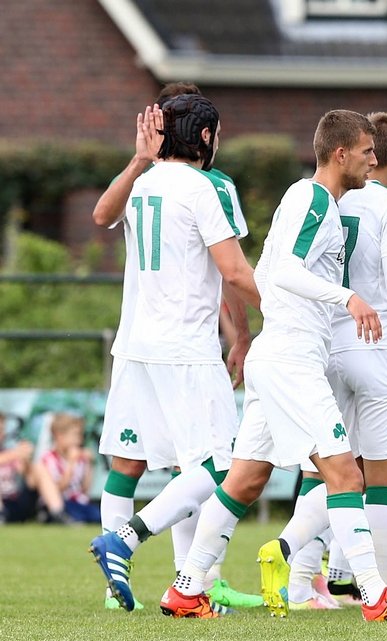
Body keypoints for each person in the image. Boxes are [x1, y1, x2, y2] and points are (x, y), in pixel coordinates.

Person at [159, 109, 387, 621]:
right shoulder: (314, 198)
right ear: (340, 154)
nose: (372, 160)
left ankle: (185, 588)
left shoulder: (312, 199)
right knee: (345, 475)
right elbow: (285, 270)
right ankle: (375, 595)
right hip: (292, 358)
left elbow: (269, 270)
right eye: (366, 152)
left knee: (245, 481)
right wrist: (346, 297)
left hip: (279, 353)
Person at [87, 93, 261, 613]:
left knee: (180, 466)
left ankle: (188, 591)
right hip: (185, 347)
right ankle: (126, 539)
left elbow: (102, 214)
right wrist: (293, 306)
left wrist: (141, 159)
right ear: (205, 136)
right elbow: (234, 271)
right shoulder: (201, 187)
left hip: (137, 346)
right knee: (218, 467)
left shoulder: (144, 183)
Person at [263, 111, 387, 612]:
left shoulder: (331, 197)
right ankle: (382, 590)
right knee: (385, 476)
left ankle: (302, 584)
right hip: (377, 343)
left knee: (328, 470)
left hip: (328, 345)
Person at [35, 413, 101, 524]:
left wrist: (89, 464)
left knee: (97, 515)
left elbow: (85, 488)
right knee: (73, 513)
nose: (79, 440)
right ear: (59, 436)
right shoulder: (49, 458)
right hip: (62, 501)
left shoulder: (80, 458)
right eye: (75, 435)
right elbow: (58, 488)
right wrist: (70, 464)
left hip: (78, 502)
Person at [0, 414, 37, 524]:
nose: (1, 433)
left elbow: (31, 481)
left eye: (2, 430)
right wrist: (15, 453)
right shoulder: (11, 454)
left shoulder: (8, 452)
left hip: (11, 502)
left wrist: (26, 459)